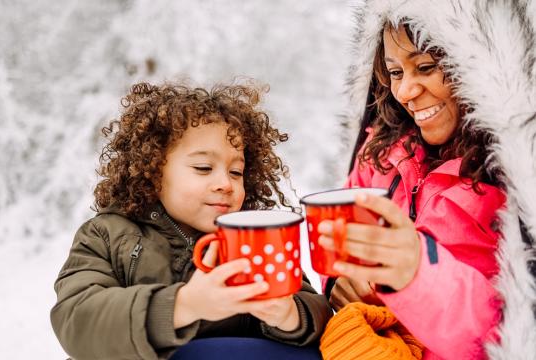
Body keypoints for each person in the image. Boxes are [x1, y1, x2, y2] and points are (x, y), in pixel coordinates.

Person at [50, 82, 333, 360]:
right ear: (153, 171)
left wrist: (289, 315)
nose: (225, 183)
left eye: (236, 172)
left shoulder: (253, 237)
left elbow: (314, 308)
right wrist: (183, 305)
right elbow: (77, 320)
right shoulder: (106, 235)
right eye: (203, 168)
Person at [317, 19, 508, 359]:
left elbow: (514, 332)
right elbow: (338, 252)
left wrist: (415, 272)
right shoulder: (380, 153)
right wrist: (338, 283)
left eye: (425, 67)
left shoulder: (516, 177)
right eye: (395, 72)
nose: (405, 91)